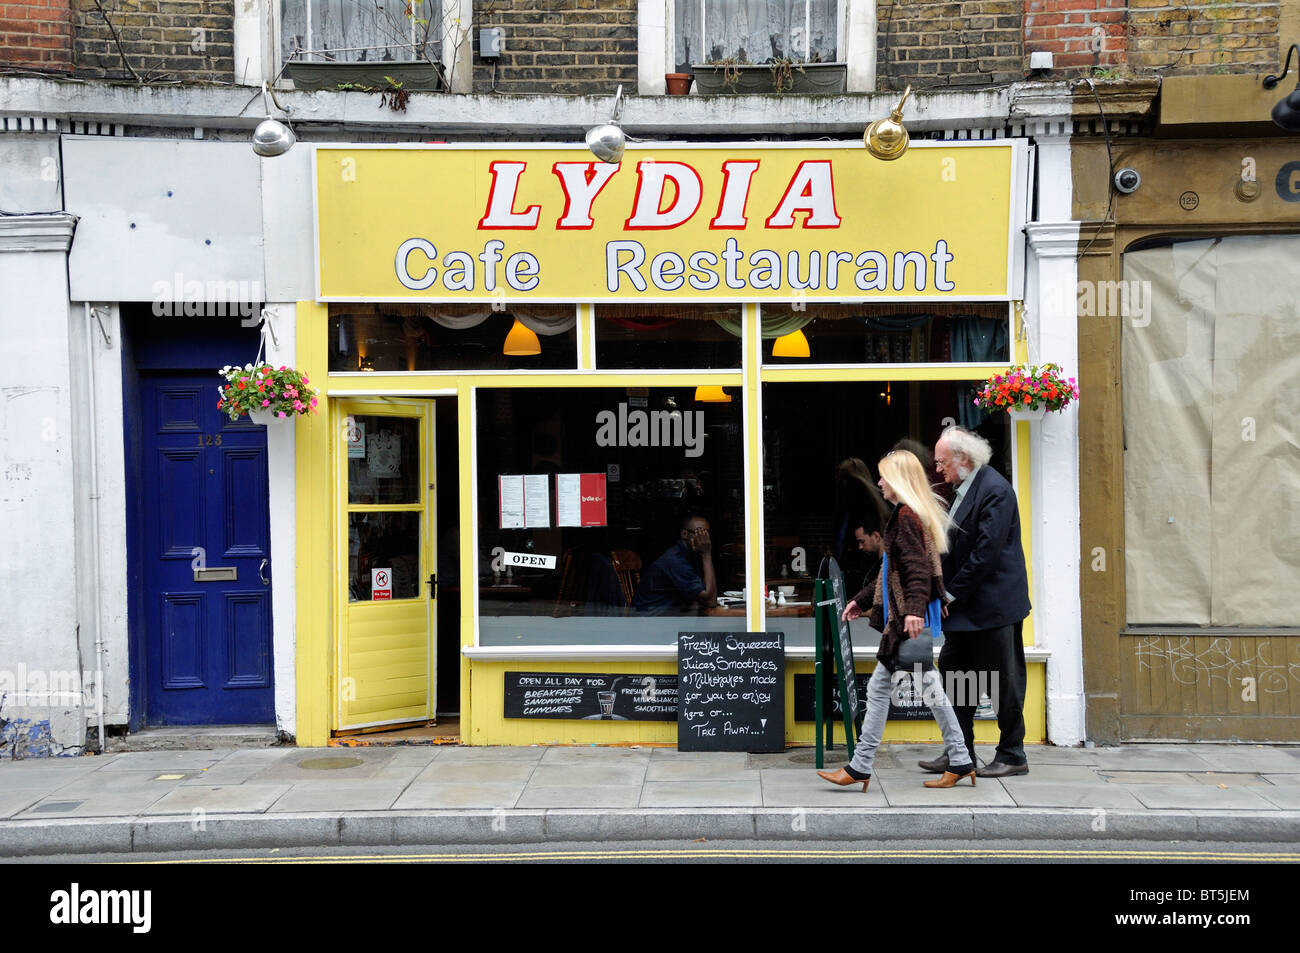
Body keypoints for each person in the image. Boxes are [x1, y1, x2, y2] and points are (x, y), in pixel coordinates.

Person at [816, 450, 977, 792]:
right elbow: (892, 573)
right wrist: (860, 601)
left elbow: (917, 570)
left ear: (898, 481)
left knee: (881, 690)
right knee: (931, 691)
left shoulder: (905, 517)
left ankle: (860, 767)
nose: (879, 483)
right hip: (906, 618)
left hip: (905, 621)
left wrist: (915, 612)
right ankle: (961, 760)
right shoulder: (910, 514)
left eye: (884, 477)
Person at [919, 425, 1032, 779]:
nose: (938, 469)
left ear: (962, 459)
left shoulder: (995, 490)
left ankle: (1012, 754)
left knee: (1003, 683)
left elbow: (985, 555)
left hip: (994, 608)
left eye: (941, 463)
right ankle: (960, 752)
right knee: (956, 677)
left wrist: (949, 593)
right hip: (967, 609)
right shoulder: (965, 487)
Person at [631, 514, 717, 614]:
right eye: (699, 533)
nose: (705, 540)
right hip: (648, 621)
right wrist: (706, 554)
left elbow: (710, 600)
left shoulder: (692, 556)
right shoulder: (675, 560)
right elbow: (709, 600)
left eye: (707, 534)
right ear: (684, 534)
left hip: (667, 617)